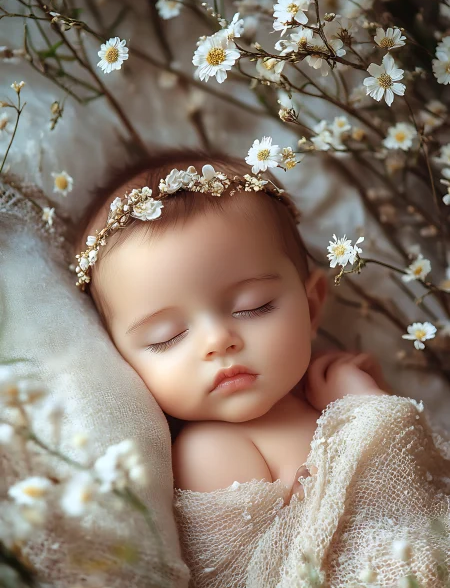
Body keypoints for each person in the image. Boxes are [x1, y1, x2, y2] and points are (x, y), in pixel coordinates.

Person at [71, 147, 392, 500]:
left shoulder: (331, 385)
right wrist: (366, 412)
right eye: (168, 337)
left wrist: (363, 402)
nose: (218, 340)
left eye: (253, 307)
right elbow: (255, 554)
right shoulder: (208, 450)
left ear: (311, 307)